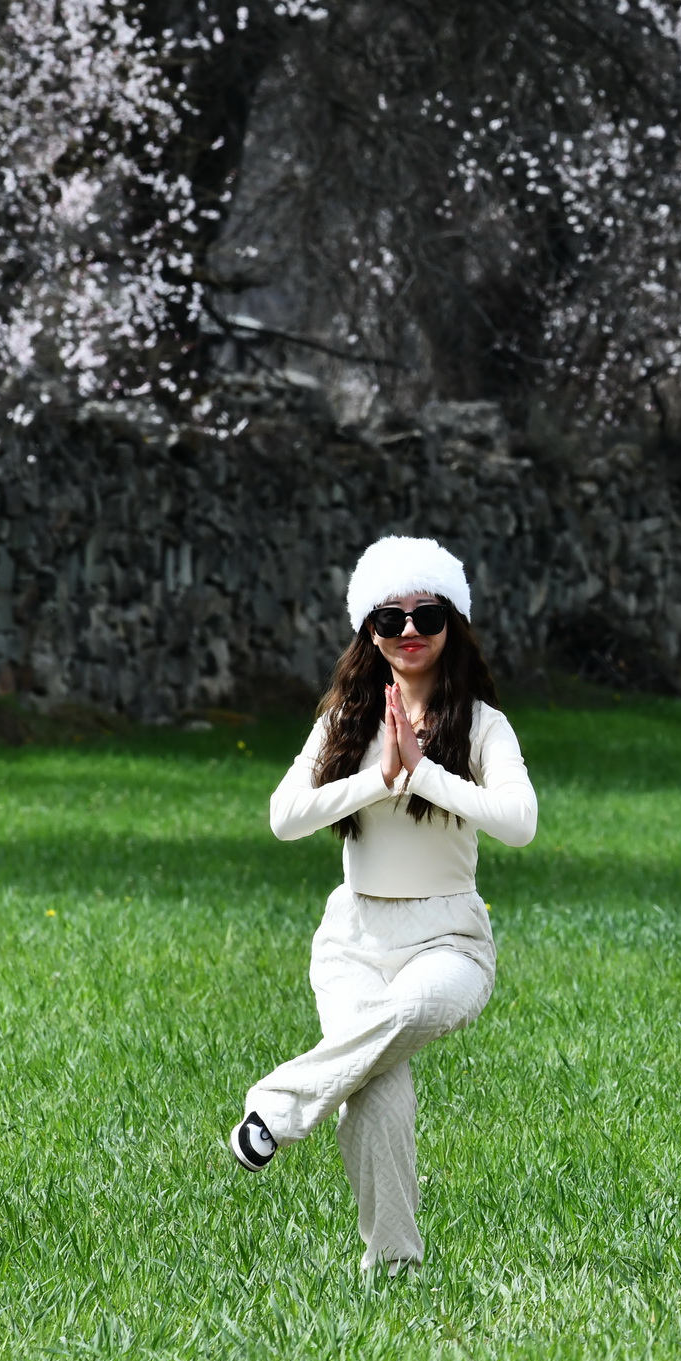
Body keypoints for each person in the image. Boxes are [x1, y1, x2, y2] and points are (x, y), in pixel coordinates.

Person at [230, 535, 538, 1277]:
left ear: (451, 625)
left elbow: (519, 823)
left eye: (426, 616)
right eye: (388, 619)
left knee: (401, 1016)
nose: (408, 633)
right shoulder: (345, 720)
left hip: (450, 940)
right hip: (354, 941)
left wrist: (424, 771)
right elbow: (285, 815)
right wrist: (380, 777)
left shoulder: (485, 725)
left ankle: (280, 1102)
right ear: (367, 632)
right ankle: (394, 1266)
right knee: (376, 1096)